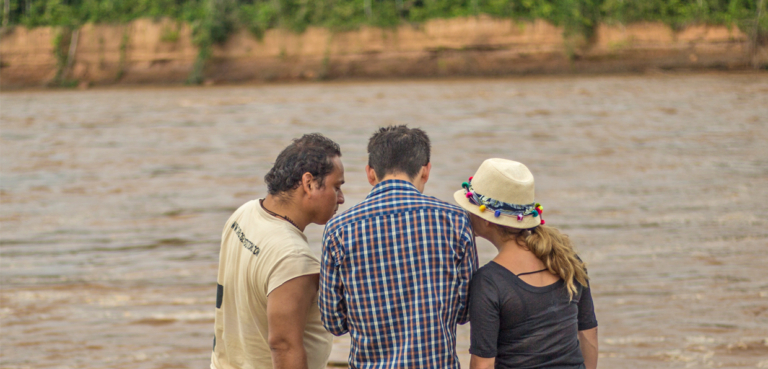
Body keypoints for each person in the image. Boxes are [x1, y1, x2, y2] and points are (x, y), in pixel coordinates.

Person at [319, 125, 478, 369]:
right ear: (425, 171)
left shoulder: (338, 229)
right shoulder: (456, 220)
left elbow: (334, 322)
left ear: (370, 173)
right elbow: (464, 311)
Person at [211, 133, 345, 369]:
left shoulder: (243, 213)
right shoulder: (293, 258)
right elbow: (283, 346)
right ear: (309, 183)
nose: (342, 198)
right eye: (337, 187)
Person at [453, 158, 598, 369]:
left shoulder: (489, 282)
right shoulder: (568, 261)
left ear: (486, 219)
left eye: (471, 207)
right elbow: (589, 335)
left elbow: (482, 364)